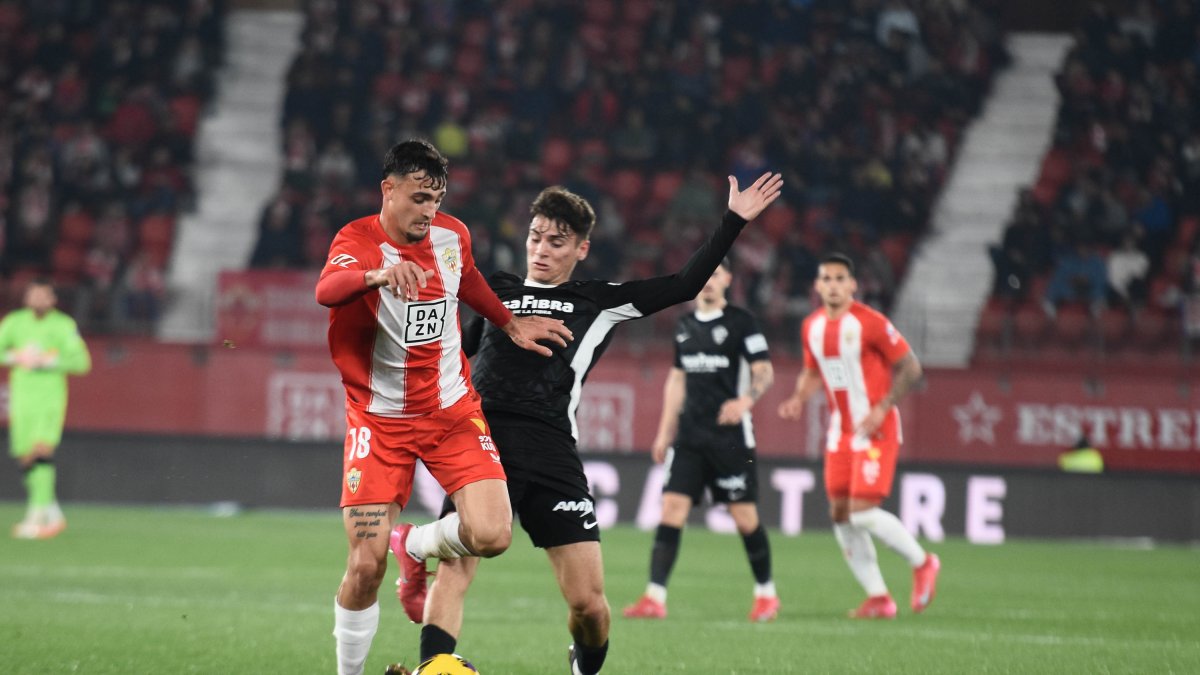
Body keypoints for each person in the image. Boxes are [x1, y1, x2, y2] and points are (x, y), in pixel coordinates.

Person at [396, 172, 783, 675]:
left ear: (580, 249)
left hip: (552, 450)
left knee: (590, 606)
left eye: (556, 242)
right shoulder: (493, 292)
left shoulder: (598, 301)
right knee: (458, 563)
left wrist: (733, 221)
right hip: (481, 442)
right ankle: (433, 668)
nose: (541, 250)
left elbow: (684, 284)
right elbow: (456, 355)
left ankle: (581, 664)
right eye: (535, 237)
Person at [315, 139, 573, 675]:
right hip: (379, 418)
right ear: (388, 191)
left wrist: (509, 322)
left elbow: (469, 279)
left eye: (436, 199)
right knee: (364, 565)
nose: (429, 211)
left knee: (493, 535)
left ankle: (413, 545)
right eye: (418, 198)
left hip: (450, 411)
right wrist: (376, 276)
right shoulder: (357, 241)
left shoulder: (452, 236)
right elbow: (327, 289)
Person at [776, 253, 940, 619]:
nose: (833, 285)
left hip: (876, 429)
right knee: (840, 515)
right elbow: (813, 372)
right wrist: (798, 399)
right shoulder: (812, 327)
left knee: (863, 513)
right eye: (826, 279)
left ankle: (923, 562)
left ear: (853, 285)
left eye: (840, 279)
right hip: (840, 432)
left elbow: (911, 367)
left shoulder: (871, 323)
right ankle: (879, 597)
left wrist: (883, 406)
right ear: (817, 286)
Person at [623, 258, 780, 623]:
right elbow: (677, 381)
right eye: (703, 276)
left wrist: (746, 401)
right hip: (690, 438)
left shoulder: (743, 323)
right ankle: (654, 597)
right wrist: (665, 432)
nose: (708, 282)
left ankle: (766, 594)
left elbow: (764, 370)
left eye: (716, 275)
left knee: (745, 517)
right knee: (671, 511)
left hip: (729, 439)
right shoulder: (685, 326)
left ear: (728, 280)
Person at [1, 278, 92, 539]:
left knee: (42, 451)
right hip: (21, 399)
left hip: (49, 399)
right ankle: (52, 513)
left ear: (52, 299)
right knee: (25, 458)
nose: (39, 300)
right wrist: (14, 356)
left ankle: (35, 517)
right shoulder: (14, 322)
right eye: (34, 295)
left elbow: (82, 363)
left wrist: (49, 362)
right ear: (27, 299)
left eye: (44, 296)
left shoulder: (63, 326)